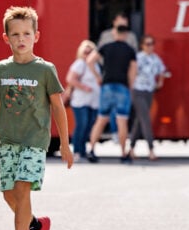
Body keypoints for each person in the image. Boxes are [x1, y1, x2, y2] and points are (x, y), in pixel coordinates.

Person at [0, 6, 73, 230]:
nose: (21, 39)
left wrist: (64, 143)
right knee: (8, 194)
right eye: (15, 34)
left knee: (22, 188)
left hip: (34, 141)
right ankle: (36, 225)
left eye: (27, 33)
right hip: (6, 141)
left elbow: (58, 107)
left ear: (36, 36)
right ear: (6, 38)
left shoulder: (45, 70)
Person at [88, 21, 137, 162]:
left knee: (101, 119)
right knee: (122, 121)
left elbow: (90, 60)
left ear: (114, 32)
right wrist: (131, 85)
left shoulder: (106, 47)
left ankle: (91, 150)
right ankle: (123, 153)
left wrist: (98, 77)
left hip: (107, 86)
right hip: (122, 87)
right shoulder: (129, 50)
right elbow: (133, 69)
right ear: (126, 34)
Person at [128, 34, 167, 161]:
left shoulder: (156, 59)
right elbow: (131, 72)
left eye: (152, 44)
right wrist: (131, 88)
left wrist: (160, 82)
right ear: (142, 45)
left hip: (149, 91)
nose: (150, 47)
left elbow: (162, 71)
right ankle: (151, 150)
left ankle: (131, 149)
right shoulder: (137, 57)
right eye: (147, 44)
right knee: (145, 119)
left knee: (139, 121)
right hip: (138, 90)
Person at [66, 39, 101, 163]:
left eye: (90, 52)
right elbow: (70, 78)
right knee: (82, 124)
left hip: (93, 101)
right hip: (81, 100)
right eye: (85, 52)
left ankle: (83, 149)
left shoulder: (95, 65)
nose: (87, 54)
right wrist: (84, 87)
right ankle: (76, 150)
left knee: (89, 125)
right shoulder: (80, 64)